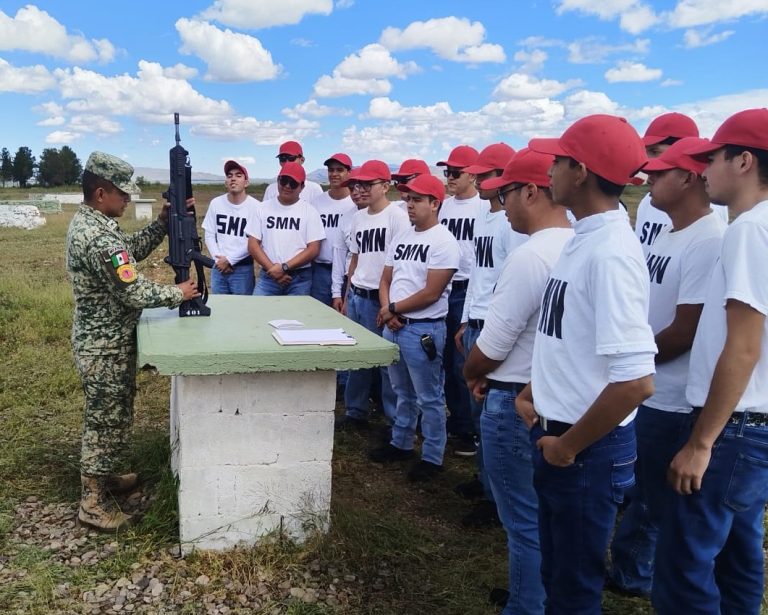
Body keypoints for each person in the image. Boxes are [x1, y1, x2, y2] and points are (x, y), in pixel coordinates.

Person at [521, 115, 657, 613]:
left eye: (558, 161)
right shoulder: (586, 236)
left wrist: (567, 446)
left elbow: (636, 382)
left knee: (574, 588)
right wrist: (535, 391)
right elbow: (570, 336)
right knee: (558, 575)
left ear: (580, 171)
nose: (549, 171)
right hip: (562, 435)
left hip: (584, 449)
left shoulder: (611, 253)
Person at [652, 108, 768, 615]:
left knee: (687, 564)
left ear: (744, 161)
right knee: (738, 553)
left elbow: (742, 346)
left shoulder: (749, 230)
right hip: (753, 424)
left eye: (713, 158)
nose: (704, 170)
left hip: (733, 427)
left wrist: (701, 443)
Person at [607, 138, 726, 598]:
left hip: (670, 392)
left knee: (654, 495)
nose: (649, 180)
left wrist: (633, 360)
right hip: (650, 381)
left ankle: (633, 574)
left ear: (690, 177)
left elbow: (686, 329)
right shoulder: (670, 232)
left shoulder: (708, 239)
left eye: (660, 173)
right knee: (642, 486)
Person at [463, 148, 572, 614]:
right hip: (550, 395)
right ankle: (540, 595)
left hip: (513, 397)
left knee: (523, 520)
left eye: (505, 193)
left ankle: (527, 605)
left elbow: (494, 341)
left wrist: (473, 371)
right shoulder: (576, 245)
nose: (501, 205)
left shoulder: (530, 256)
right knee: (546, 515)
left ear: (530, 192)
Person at [66, 151, 200, 531]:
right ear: (101, 193)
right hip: (102, 347)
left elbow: (128, 254)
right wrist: (177, 293)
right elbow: (131, 289)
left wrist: (160, 225)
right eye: (122, 193)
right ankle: (92, 503)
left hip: (107, 341)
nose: (128, 199)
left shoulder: (97, 224)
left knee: (114, 413)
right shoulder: (96, 236)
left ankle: (107, 476)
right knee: (103, 420)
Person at [370, 174, 460, 482]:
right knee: (401, 391)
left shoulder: (444, 241)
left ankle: (433, 457)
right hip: (395, 325)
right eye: (408, 199)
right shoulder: (402, 236)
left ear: (435, 204)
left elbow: (431, 292)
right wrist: (389, 311)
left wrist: (392, 309)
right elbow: (386, 279)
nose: (409, 204)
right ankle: (402, 442)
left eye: (417, 200)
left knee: (429, 396)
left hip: (423, 330)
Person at [452, 142, 521, 527]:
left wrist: (489, 327)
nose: (479, 180)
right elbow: (478, 274)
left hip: (495, 324)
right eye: (477, 174)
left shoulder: (511, 224)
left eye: (487, 175)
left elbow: (510, 284)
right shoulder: (485, 215)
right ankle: (484, 481)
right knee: (480, 412)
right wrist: (465, 319)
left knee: (494, 414)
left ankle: (498, 498)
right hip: (476, 320)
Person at [336, 160, 411, 430]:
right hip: (358, 294)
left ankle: (393, 421)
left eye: (369, 184)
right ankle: (355, 411)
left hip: (379, 299)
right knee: (357, 356)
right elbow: (355, 259)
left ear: (386, 186)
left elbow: (401, 266)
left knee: (386, 362)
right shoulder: (358, 218)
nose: (362, 189)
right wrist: (347, 295)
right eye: (359, 184)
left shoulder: (397, 217)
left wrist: (390, 305)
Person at [436, 144, 483, 456]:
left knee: (462, 362)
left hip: (468, 287)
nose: (450, 177)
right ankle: (457, 420)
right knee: (444, 359)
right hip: (445, 285)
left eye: (456, 172)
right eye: (447, 172)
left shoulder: (482, 207)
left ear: (472, 175)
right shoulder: (445, 206)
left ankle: (469, 429)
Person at [635, 113, 728, 254]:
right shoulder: (648, 201)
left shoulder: (711, 205)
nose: (647, 161)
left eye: (655, 151)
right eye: (646, 152)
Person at [247, 162, 325, 296]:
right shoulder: (262, 208)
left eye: (293, 183)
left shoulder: (310, 212)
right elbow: (253, 244)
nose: (287, 186)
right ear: (278, 181)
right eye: (284, 181)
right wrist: (273, 270)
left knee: (297, 311)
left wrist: (284, 267)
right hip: (269, 276)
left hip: (299, 279)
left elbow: (314, 249)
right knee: (257, 309)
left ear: (302, 186)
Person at [202, 160, 260, 295]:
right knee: (219, 305)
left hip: (242, 269)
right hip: (219, 268)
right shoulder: (216, 203)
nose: (233, 178)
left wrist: (230, 260)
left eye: (238, 175)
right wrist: (219, 260)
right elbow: (209, 235)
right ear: (226, 183)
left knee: (243, 306)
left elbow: (254, 241)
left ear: (246, 182)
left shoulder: (256, 207)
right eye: (229, 176)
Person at [311, 153, 356, 306]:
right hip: (321, 269)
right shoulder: (317, 202)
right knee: (319, 313)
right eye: (331, 170)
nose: (334, 174)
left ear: (349, 172)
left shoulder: (355, 202)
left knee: (346, 314)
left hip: (348, 270)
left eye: (340, 170)